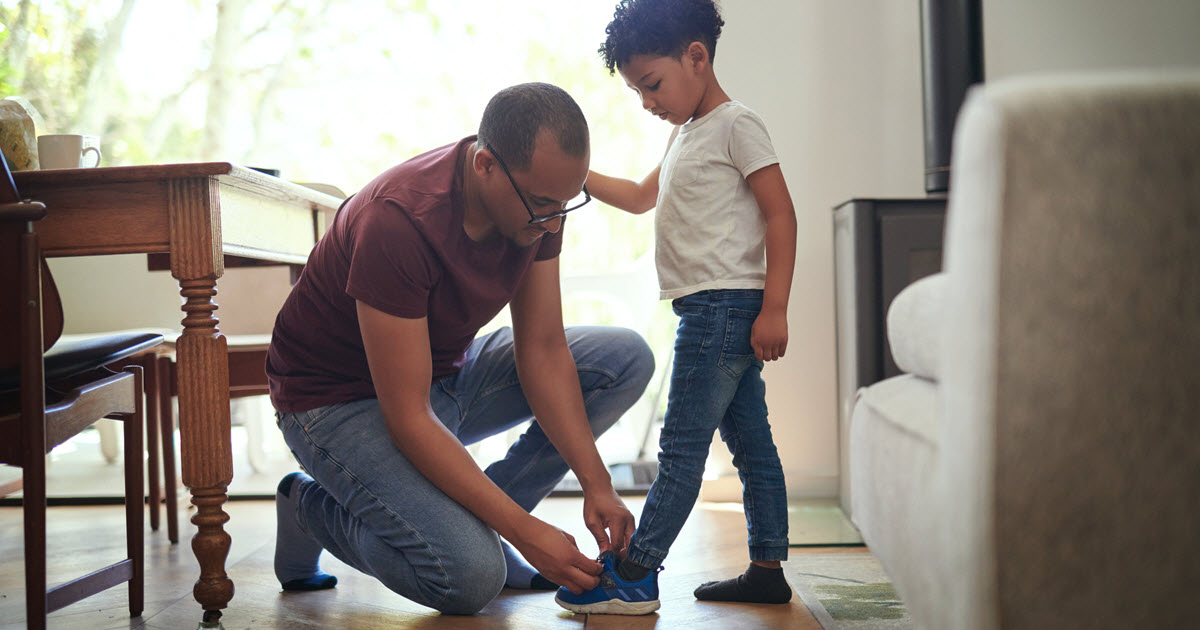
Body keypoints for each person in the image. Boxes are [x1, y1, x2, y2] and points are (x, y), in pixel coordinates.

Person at [265, 82, 656, 615]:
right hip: (335, 402)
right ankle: (308, 503)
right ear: (485, 165)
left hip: (441, 375)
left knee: (625, 358)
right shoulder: (397, 221)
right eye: (542, 205)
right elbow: (407, 415)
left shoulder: (540, 208)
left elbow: (541, 348)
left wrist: (597, 484)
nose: (553, 220)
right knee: (469, 577)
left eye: (565, 203)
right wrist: (522, 532)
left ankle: (489, 517)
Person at [555, 0, 797, 615]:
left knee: (681, 446)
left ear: (697, 56)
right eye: (638, 90)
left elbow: (781, 214)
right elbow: (641, 198)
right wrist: (571, 176)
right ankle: (768, 570)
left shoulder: (737, 124)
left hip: (722, 309)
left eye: (652, 84)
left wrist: (776, 307)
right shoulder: (685, 135)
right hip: (715, 309)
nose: (648, 101)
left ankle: (636, 572)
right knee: (752, 446)